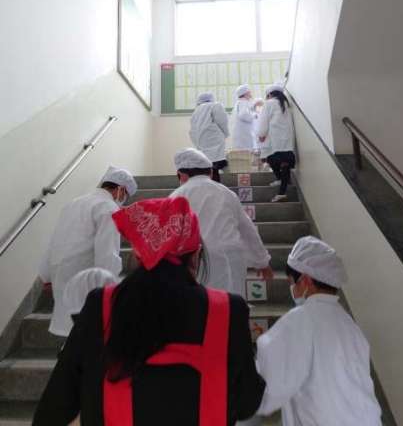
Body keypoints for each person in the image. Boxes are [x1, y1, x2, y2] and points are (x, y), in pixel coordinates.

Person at [33, 197, 265, 426]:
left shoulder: (100, 306)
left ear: (138, 254)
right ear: (195, 254)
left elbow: (54, 409)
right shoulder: (228, 310)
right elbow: (247, 402)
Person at [254, 236, 382, 426]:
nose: (292, 288)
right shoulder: (349, 324)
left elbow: (268, 391)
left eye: (292, 282)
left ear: (305, 280)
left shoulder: (300, 320)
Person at [38, 166, 137, 336]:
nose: (123, 200)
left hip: (60, 271)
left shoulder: (73, 203)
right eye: (125, 196)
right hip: (86, 275)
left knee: (71, 330)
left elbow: (54, 240)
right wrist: (110, 284)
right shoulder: (109, 208)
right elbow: (107, 252)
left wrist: (46, 275)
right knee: (88, 330)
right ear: (120, 190)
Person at [170, 148, 273, 297]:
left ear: (182, 175)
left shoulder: (175, 197)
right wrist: (262, 261)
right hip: (231, 256)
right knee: (231, 305)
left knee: (201, 306)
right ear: (211, 173)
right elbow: (247, 229)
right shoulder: (226, 193)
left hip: (196, 261)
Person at [258, 84, 295, 203]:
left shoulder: (269, 103)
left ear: (270, 94)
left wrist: (261, 134)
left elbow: (263, 120)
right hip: (287, 139)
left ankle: (280, 184)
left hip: (274, 138)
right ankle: (282, 192)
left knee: (271, 158)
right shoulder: (286, 104)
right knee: (285, 163)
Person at [189, 91, 229, 182]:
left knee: (207, 167)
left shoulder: (196, 111)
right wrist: (225, 134)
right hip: (214, 140)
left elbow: (192, 131)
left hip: (201, 142)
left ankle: (210, 185)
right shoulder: (215, 105)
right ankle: (215, 186)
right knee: (215, 166)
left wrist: (196, 142)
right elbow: (222, 121)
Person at [231, 84, 258, 151]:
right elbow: (243, 114)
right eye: (249, 91)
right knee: (246, 153)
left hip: (241, 135)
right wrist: (254, 115)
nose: (251, 93)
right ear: (245, 93)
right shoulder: (243, 102)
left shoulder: (240, 102)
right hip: (244, 135)